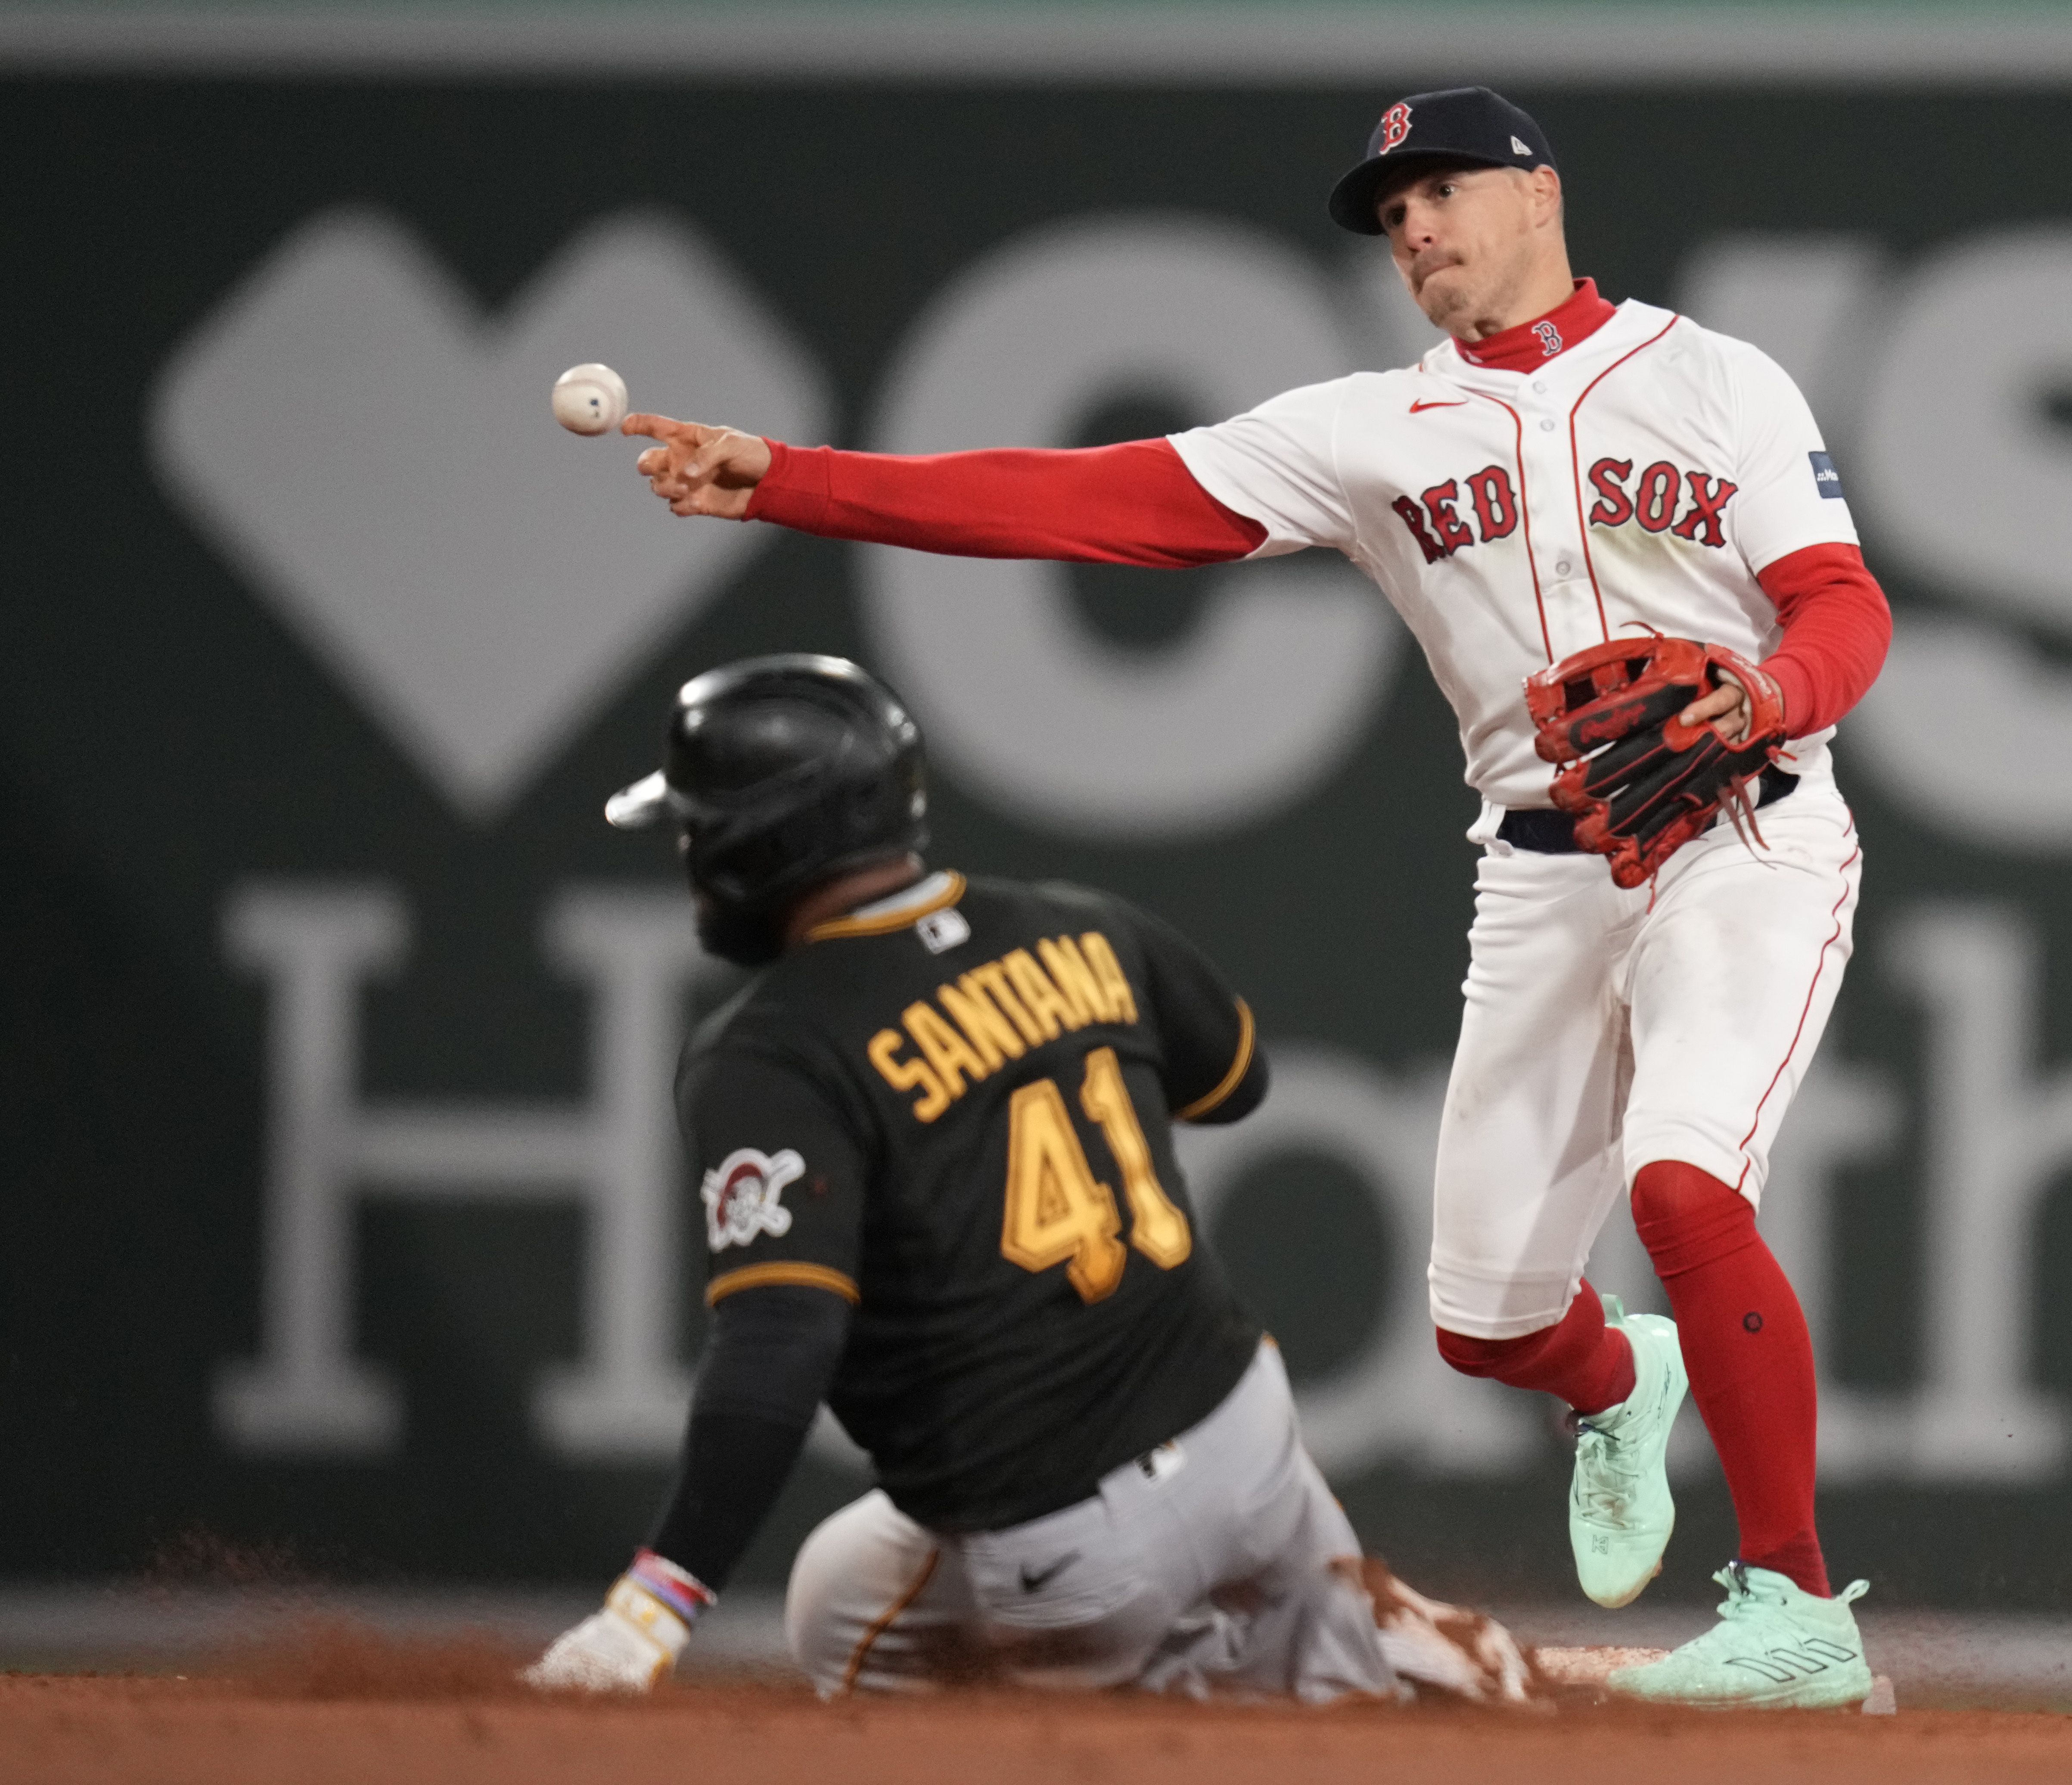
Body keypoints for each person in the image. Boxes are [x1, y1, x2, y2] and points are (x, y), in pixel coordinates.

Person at [619, 87, 1893, 1709]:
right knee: (1485, 1323)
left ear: (1537, 191)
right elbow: (1089, 500)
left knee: (1684, 1193)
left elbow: (1840, 604)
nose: (1410, 229)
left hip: (1746, 833)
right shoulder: (1370, 430)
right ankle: (1614, 1382)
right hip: (1540, 867)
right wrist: (787, 478)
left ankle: (1796, 1615)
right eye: (1387, 213)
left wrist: (1773, 696)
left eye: (1434, 191)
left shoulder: (1713, 377)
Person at [524, 653, 1533, 1704]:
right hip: (1253, 1438)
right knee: (864, 1571)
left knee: (840, 1623)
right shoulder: (1086, 925)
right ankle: (1351, 1642)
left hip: (1069, 1551)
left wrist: (655, 1603)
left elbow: (779, 1344)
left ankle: (1230, 1683)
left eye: (698, 824)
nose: (691, 852)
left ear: (757, 842)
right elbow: (1235, 1079)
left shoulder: (771, 1048)